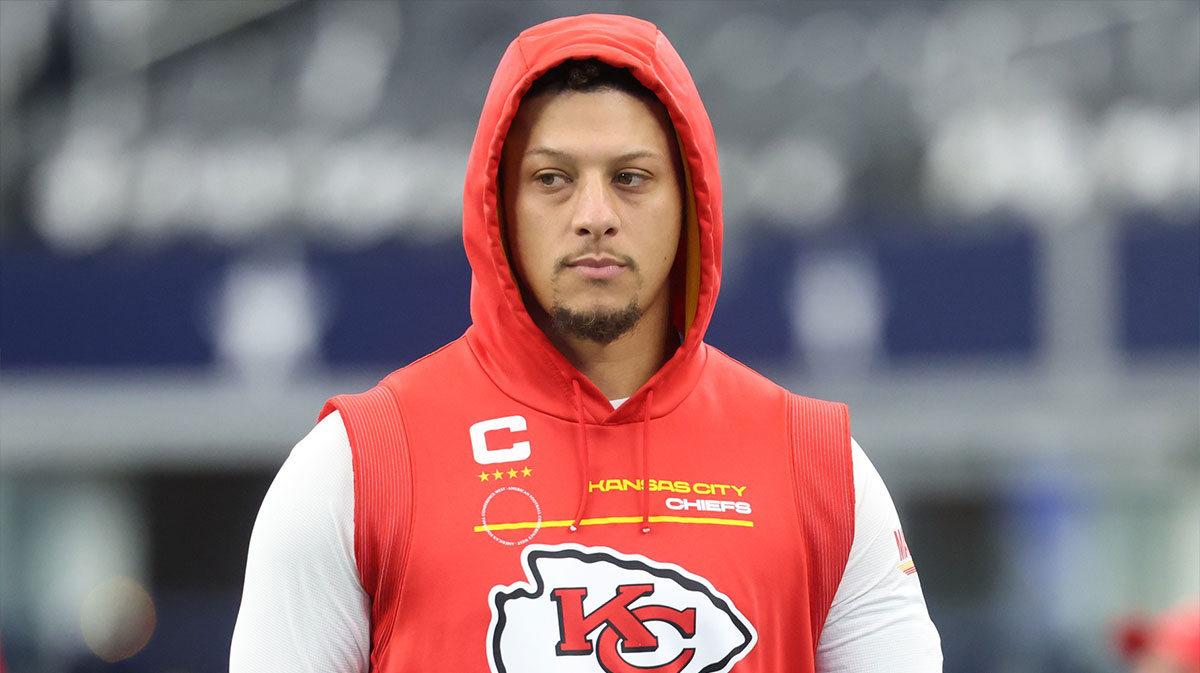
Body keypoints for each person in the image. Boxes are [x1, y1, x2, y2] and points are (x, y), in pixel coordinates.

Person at [231, 13, 941, 672]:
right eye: (553, 179)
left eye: (631, 178)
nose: (594, 215)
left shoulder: (819, 469)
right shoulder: (359, 467)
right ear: (497, 203)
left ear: (691, 200)